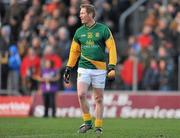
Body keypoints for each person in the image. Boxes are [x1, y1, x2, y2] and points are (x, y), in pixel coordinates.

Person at [63, 4, 117, 134]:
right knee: (81, 94)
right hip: (83, 68)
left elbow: (112, 48)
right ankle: (87, 122)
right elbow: (74, 51)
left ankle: (98, 126)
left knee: (98, 99)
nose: (80, 15)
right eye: (80, 13)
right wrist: (68, 68)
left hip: (99, 69)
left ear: (91, 14)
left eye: (82, 13)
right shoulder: (79, 32)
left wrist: (112, 66)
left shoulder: (103, 29)